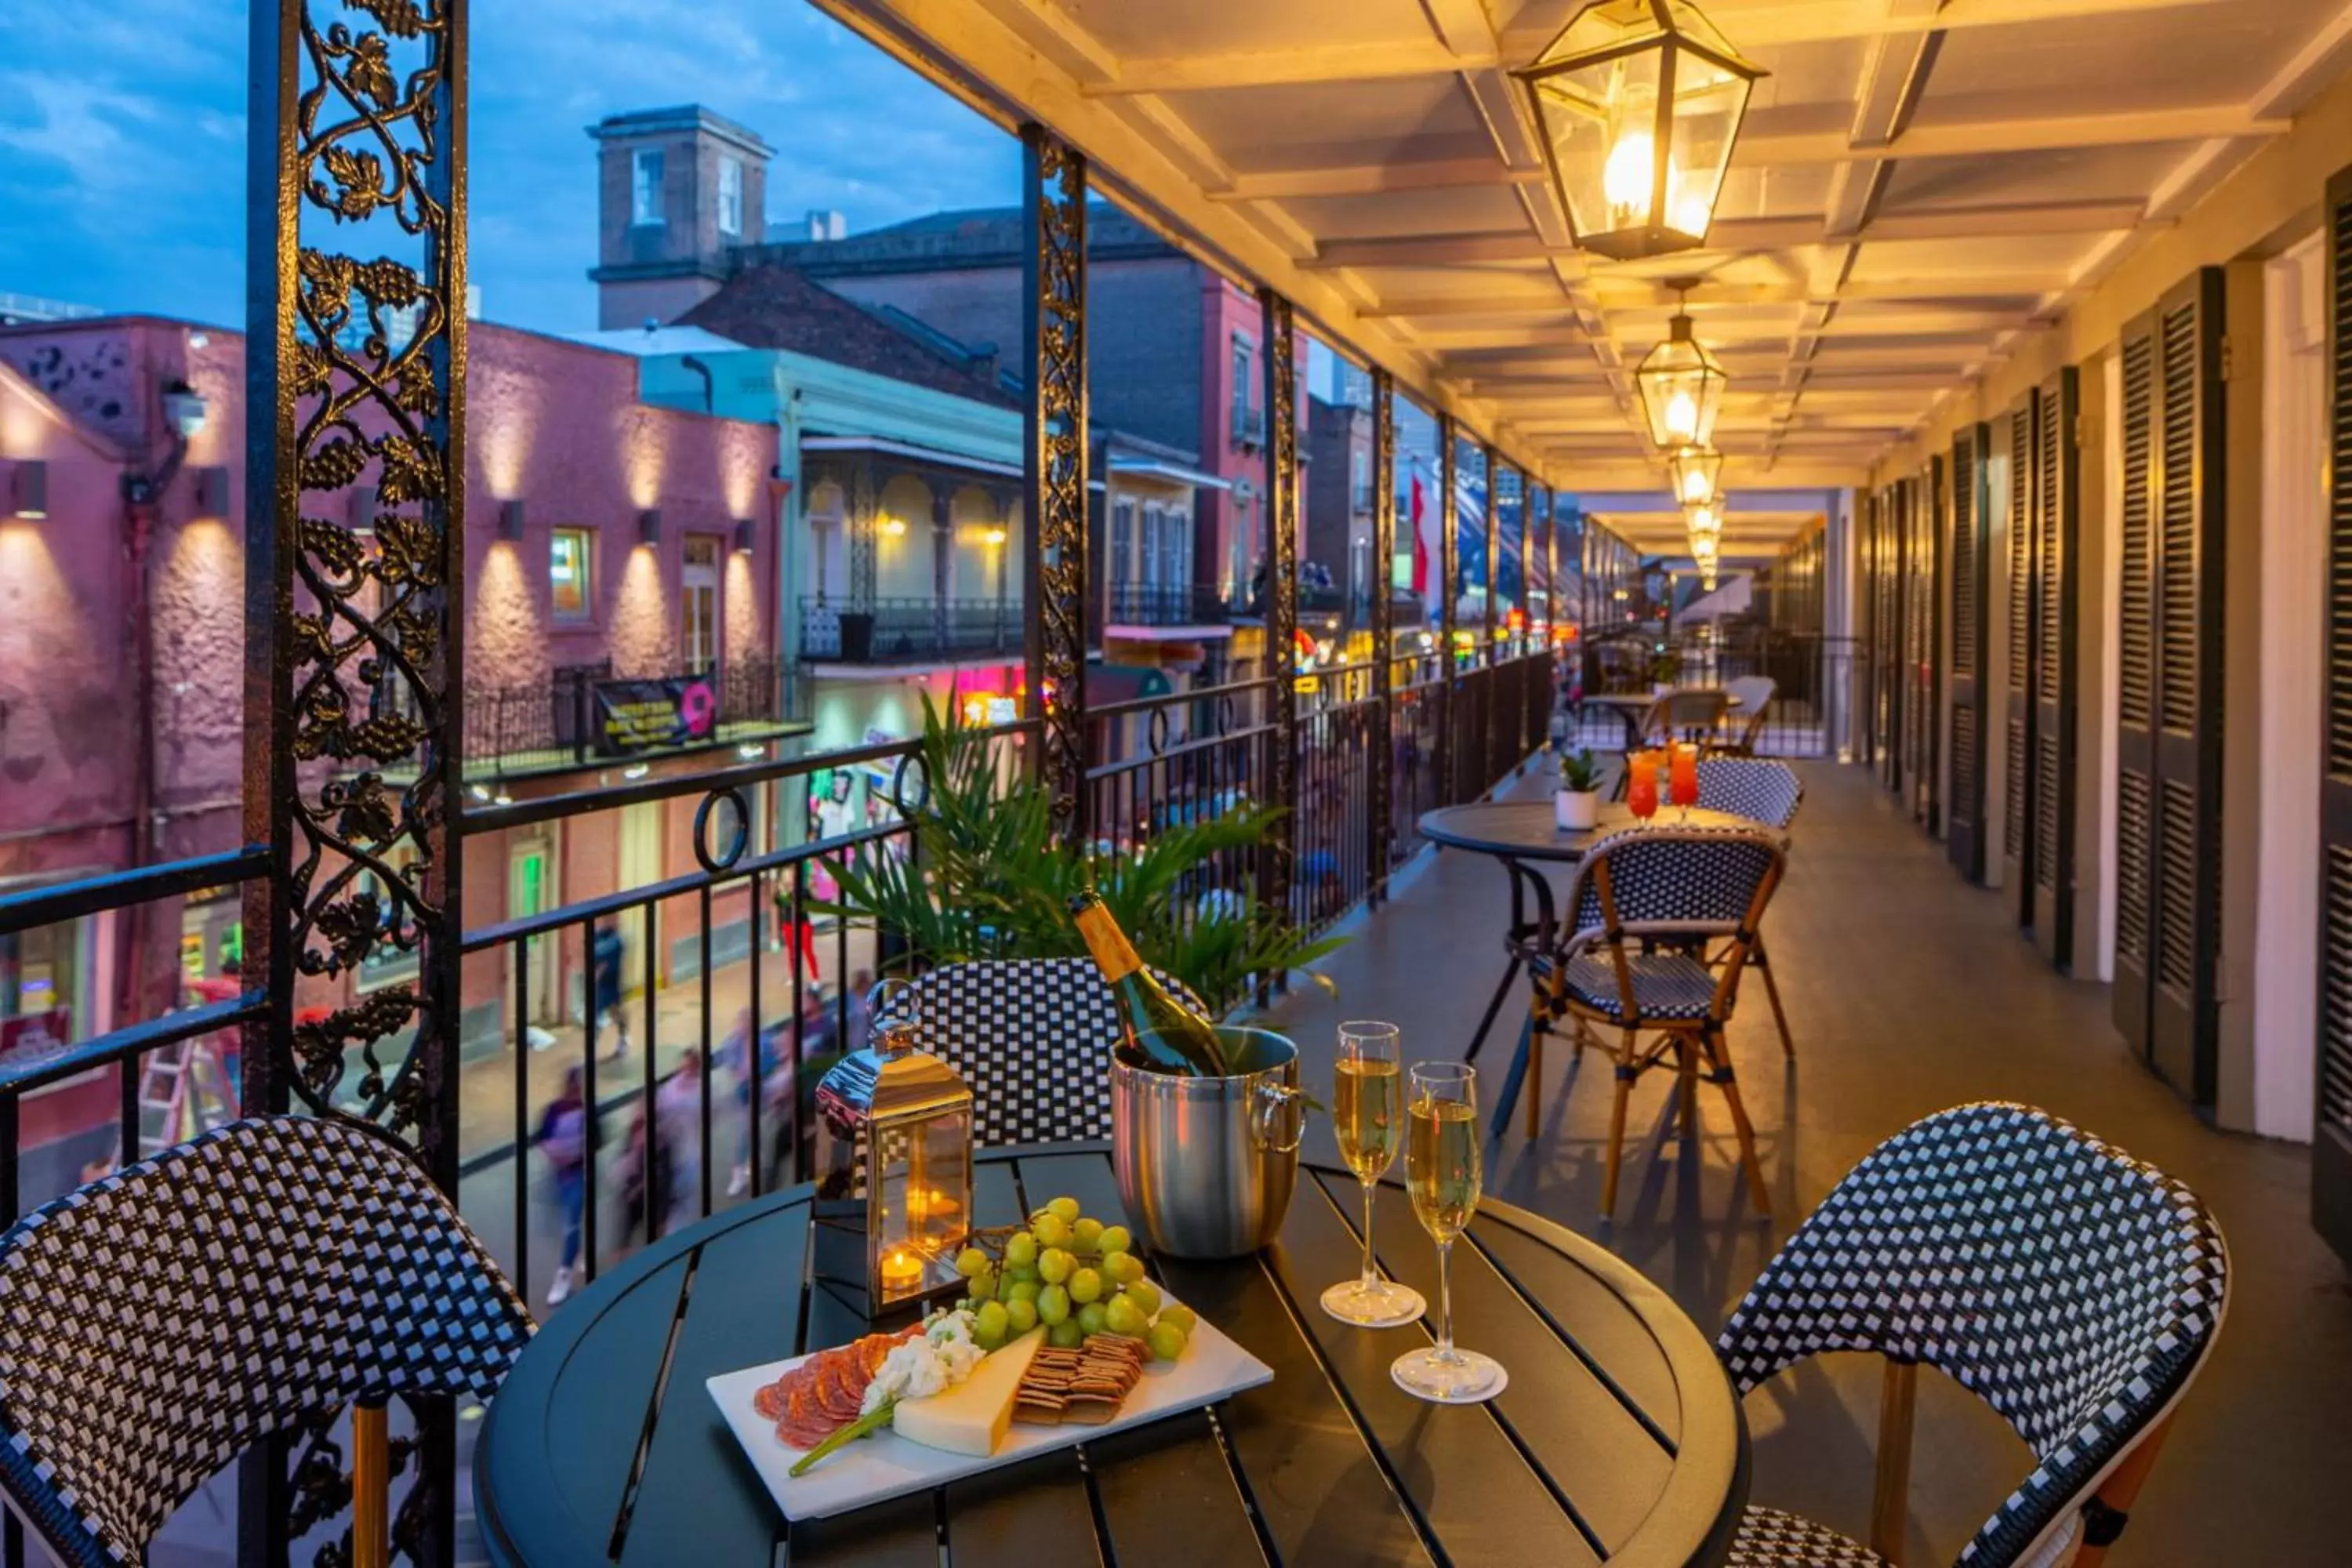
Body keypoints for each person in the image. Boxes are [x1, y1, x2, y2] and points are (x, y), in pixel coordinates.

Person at [536, 1065, 591, 1306]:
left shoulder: (585, 1112)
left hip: (577, 1174)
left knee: (571, 1224)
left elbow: (597, 1138)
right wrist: (553, 1153)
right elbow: (541, 1137)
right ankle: (576, 1251)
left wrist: (577, 1152)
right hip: (558, 1174)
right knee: (564, 1223)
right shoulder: (554, 1110)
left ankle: (564, 1275)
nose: (574, 1092)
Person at [655, 1047, 704, 1235]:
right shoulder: (669, 1089)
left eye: (690, 1068)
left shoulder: (700, 1090)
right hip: (670, 1151)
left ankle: (684, 1234)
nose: (685, 1072)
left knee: (687, 1195)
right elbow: (660, 1114)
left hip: (690, 1151)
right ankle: (674, 1234)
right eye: (683, 1067)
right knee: (672, 1194)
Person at [590, 921, 630, 1060]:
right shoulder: (597, 935)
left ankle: (623, 1038)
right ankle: (593, 1048)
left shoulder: (617, 941)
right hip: (601, 985)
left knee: (616, 1011)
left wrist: (601, 971)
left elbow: (611, 963)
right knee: (596, 1015)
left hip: (612, 983)